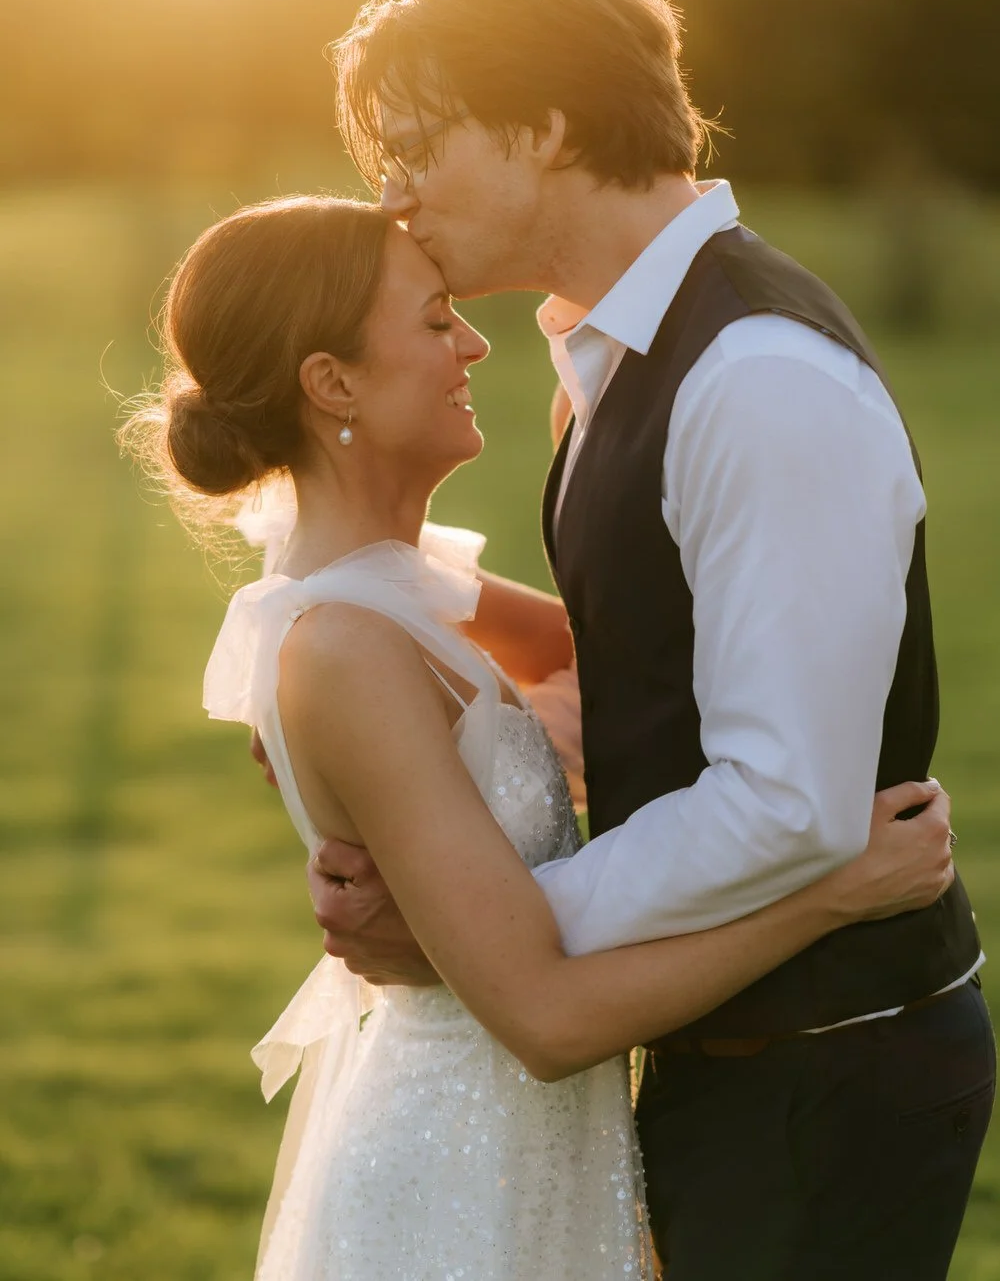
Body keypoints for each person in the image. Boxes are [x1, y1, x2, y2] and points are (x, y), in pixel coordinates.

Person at [303, 0, 995, 1279]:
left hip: (825, 1077)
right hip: (735, 1052)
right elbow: (660, 680)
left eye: (417, 145)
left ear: (543, 127)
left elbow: (787, 801)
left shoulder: (754, 376)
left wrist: (490, 933)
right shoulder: (615, 360)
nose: (394, 199)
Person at [125, 193, 955, 1281]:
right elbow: (549, 1021)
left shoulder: (407, 590)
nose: (473, 340)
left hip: (542, 1158)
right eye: (432, 322)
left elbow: (628, 670)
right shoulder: (342, 645)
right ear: (331, 384)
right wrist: (832, 890)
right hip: (458, 1181)